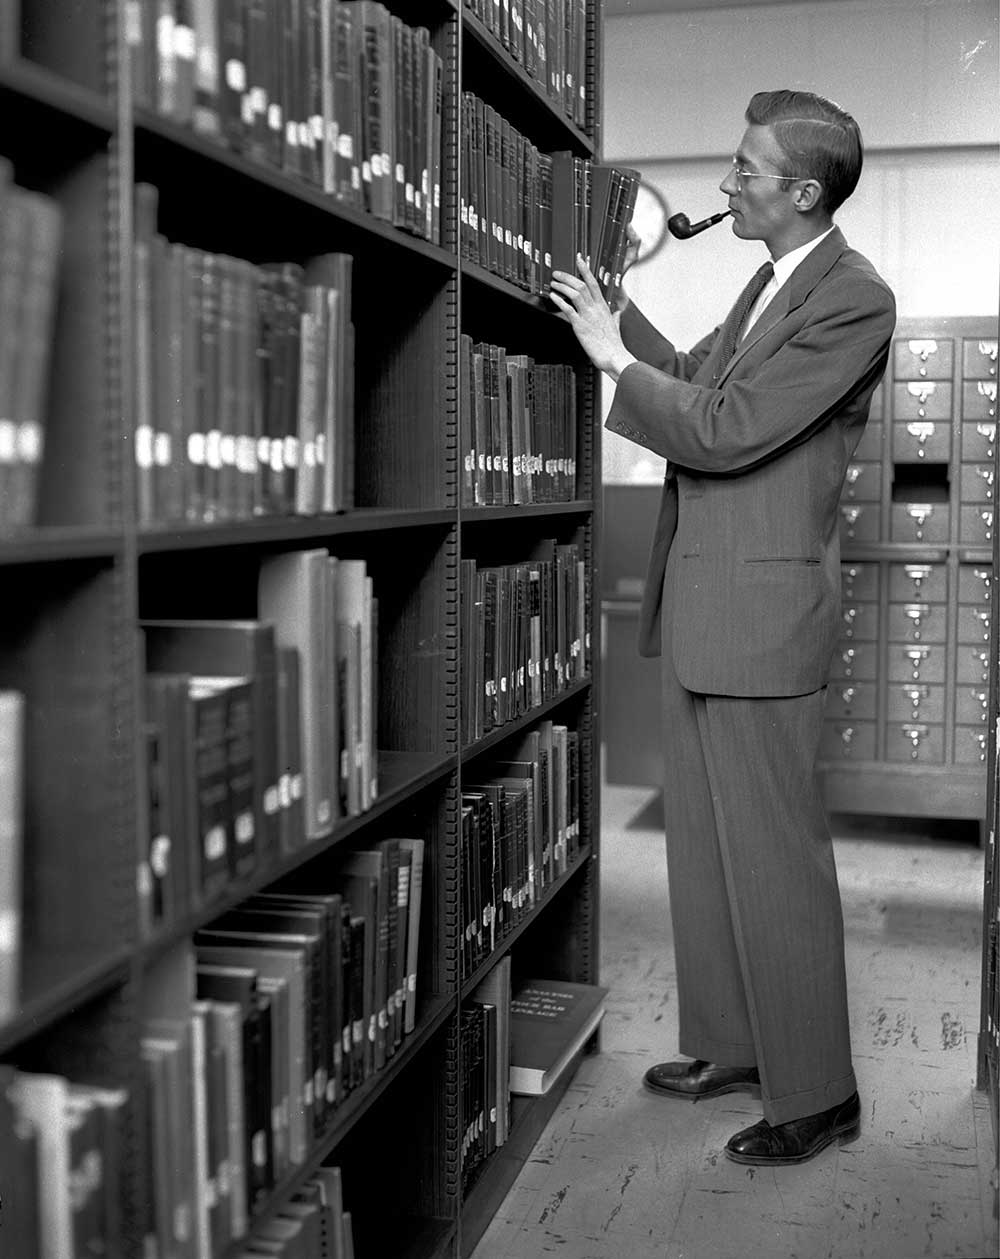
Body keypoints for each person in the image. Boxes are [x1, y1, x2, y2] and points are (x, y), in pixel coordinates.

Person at [549, 89, 896, 1166]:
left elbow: (724, 427)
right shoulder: (766, 279)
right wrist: (601, 311)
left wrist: (611, 359)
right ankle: (734, 1044)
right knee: (702, 848)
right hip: (706, 604)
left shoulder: (852, 301)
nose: (725, 184)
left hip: (761, 616)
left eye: (744, 170)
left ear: (802, 190)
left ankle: (817, 1088)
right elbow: (693, 375)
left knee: (775, 859)